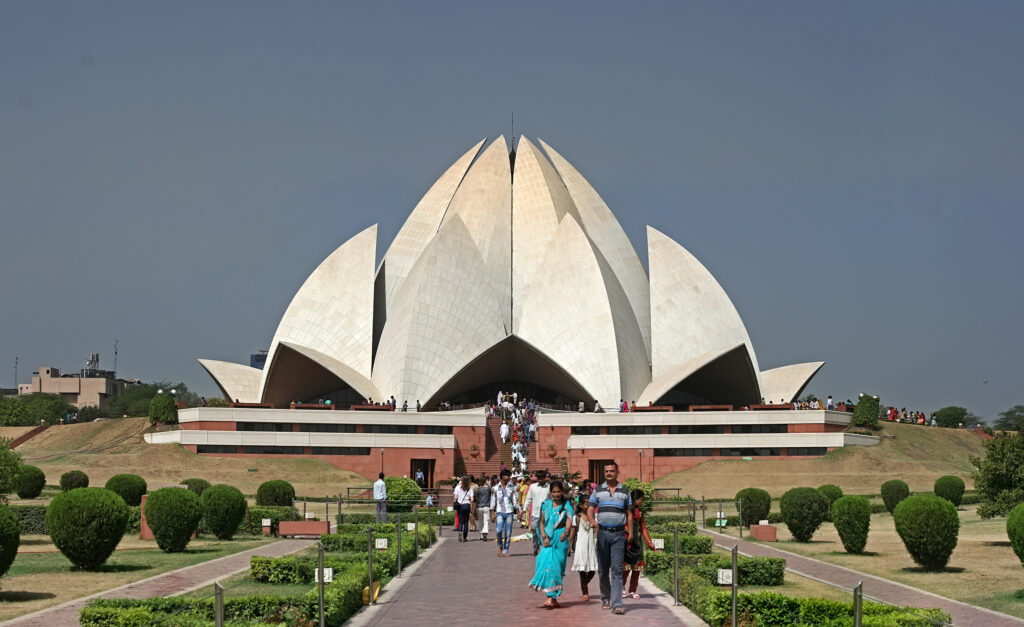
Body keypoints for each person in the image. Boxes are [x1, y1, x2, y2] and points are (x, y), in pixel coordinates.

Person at [587, 461, 632, 614]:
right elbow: (590, 509)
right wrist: (593, 521)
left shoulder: (625, 491)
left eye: (612, 471)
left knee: (617, 570)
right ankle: (605, 596)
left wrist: (631, 532)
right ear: (604, 473)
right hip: (603, 534)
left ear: (617, 472)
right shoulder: (598, 491)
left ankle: (617, 603)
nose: (609, 473)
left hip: (619, 534)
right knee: (602, 569)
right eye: (606, 471)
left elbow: (629, 513)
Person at [528, 480, 575, 609]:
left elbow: (570, 521)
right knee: (543, 562)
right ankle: (550, 597)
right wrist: (543, 536)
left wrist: (566, 533)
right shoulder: (546, 505)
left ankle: (551, 598)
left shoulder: (567, 505)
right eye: (553, 492)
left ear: (562, 492)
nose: (556, 494)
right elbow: (541, 522)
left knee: (557, 568)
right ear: (550, 492)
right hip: (548, 537)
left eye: (558, 491)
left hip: (560, 539)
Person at [622, 489, 657, 599]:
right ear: (635, 499)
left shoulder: (640, 512)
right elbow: (621, 524)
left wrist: (649, 543)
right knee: (625, 568)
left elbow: (643, 528)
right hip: (627, 540)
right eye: (641, 499)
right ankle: (621, 588)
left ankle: (632, 590)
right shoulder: (625, 510)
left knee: (637, 568)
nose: (642, 502)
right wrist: (629, 531)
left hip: (637, 541)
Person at [572, 493, 598, 601]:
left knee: (592, 570)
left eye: (590, 504)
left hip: (591, 544)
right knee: (582, 570)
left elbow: (597, 530)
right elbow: (573, 532)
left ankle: (584, 584)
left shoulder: (594, 517)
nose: (588, 506)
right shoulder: (576, 517)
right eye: (586, 504)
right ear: (581, 505)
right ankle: (585, 592)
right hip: (581, 545)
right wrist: (569, 546)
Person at [490, 469, 519, 556]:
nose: (509, 478)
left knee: (508, 533)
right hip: (499, 512)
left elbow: (515, 500)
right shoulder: (495, 488)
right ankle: (500, 546)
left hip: (509, 512)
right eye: (507, 476)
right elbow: (493, 501)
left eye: (509, 476)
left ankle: (505, 550)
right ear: (502, 476)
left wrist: (518, 512)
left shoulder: (511, 488)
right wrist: (492, 513)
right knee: (499, 531)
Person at [524, 470, 551, 556]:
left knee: (545, 531)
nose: (540, 480)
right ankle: (535, 548)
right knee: (535, 532)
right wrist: (524, 509)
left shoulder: (549, 487)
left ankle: (544, 548)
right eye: (538, 478)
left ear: (545, 478)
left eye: (542, 478)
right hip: (535, 514)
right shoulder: (533, 487)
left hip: (546, 514)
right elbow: (528, 499)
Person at [453, 476, 474, 542]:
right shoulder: (469, 489)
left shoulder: (457, 488)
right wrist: (471, 506)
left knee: (460, 521)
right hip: (467, 505)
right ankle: (465, 537)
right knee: (466, 522)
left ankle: (459, 532)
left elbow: (455, 497)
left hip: (460, 505)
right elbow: (472, 499)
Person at [476, 476, 491, 541]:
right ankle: (485, 531)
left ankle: (481, 534)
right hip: (487, 505)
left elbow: (476, 498)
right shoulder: (489, 489)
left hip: (479, 506)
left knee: (480, 521)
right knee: (486, 520)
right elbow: (490, 496)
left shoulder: (478, 489)